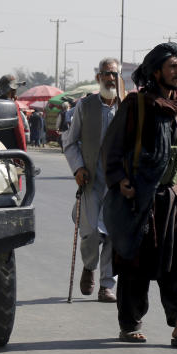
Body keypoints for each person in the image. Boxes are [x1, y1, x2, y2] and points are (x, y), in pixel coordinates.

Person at [103, 42, 177, 347]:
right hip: (140, 199)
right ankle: (130, 324)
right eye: (173, 65)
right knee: (135, 265)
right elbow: (112, 147)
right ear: (157, 71)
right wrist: (119, 180)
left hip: (174, 200)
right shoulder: (137, 105)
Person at [62, 58, 121, 303]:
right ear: (98, 77)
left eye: (115, 75)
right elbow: (69, 141)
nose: (111, 79)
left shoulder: (126, 108)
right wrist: (78, 168)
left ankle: (107, 285)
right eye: (107, 74)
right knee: (92, 234)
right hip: (91, 182)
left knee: (113, 235)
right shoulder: (85, 106)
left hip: (117, 183)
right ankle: (89, 266)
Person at [0, 74, 28, 151]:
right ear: (13, 90)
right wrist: (23, 152)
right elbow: (20, 132)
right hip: (11, 152)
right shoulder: (13, 106)